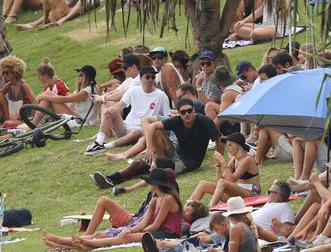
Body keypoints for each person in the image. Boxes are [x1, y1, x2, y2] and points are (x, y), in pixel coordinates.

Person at [43, 168, 183, 249]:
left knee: (128, 237)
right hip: (152, 229)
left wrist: (130, 231)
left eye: (149, 181)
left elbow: (156, 225)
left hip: (167, 234)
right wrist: (129, 229)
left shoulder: (168, 198)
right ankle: (72, 242)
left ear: (156, 183)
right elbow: (143, 222)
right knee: (119, 234)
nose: (146, 183)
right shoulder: (154, 199)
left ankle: (75, 243)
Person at [85, 66, 170, 155]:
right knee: (110, 110)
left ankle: (106, 146)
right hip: (125, 125)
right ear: (141, 78)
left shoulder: (161, 96)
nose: (150, 79)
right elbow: (120, 105)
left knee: (135, 133)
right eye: (147, 77)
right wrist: (109, 111)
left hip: (141, 129)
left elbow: (166, 117)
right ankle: (98, 142)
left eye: (153, 77)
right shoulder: (133, 90)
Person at [143, 98, 224, 174]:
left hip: (187, 164)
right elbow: (151, 127)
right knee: (156, 132)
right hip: (175, 154)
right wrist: (149, 148)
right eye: (183, 112)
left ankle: (159, 166)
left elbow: (219, 139)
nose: (187, 114)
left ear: (194, 110)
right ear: (178, 113)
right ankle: (161, 161)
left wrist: (218, 162)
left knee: (161, 173)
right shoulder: (177, 120)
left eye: (189, 111)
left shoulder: (204, 121)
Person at [291, 154, 331, 240]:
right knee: (318, 204)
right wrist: (306, 229)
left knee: (330, 201)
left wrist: (316, 182)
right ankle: (293, 236)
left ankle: (317, 237)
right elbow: (308, 186)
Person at [190, 132, 261, 207]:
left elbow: (231, 180)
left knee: (222, 182)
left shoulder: (247, 159)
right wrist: (218, 166)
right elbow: (220, 182)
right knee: (203, 184)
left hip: (251, 193)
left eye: (230, 145)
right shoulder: (234, 160)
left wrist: (223, 163)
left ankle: (210, 208)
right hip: (239, 193)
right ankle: (187, 209)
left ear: (238, 145)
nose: (227, 148)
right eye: (227, 146)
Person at [34, 64, 98, 126]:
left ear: (87, 77)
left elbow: (66, 99)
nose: (78, 77)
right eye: (78, 75)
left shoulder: (87, 91)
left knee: (47, 95)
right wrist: (78, 88)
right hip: (77, 118)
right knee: (48, 94)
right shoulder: (83, 90)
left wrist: (43, 96)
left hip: (80, 122)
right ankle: (34, 124)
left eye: (81, 75)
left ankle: (33, 125)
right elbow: (71, 106)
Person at [0, 56, 36, 128]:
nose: (4, 75)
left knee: (6, 124)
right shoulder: (8, 86)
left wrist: (33, 120)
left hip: (25, 119)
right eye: (3, 73)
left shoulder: (24, 85)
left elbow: (35, 104)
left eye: (6, 72)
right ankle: (8, 123)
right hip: (12, 119)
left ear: (14, 72)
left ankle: (8, 124)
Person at [204, 66, 244, 135]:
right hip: (242, 119)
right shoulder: (235, 86)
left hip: (238, 123)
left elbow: (221, 117)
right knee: (210, 105)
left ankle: (215, 135)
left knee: (209, 106)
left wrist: (208, 130)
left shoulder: (227, 94)